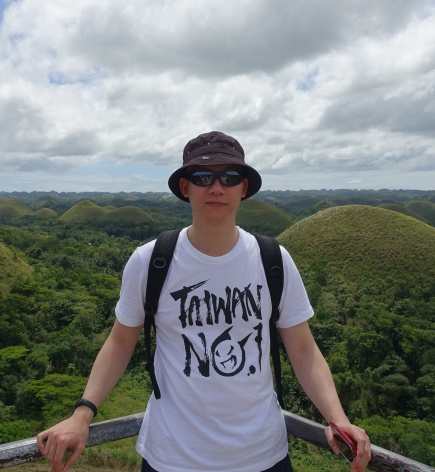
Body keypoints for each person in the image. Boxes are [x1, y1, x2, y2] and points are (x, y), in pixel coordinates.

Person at [37, 132, 371, 472]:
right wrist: (83, 413)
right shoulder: (150, 261)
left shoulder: (274, 260)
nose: (216, 188)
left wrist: (338, 418)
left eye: (229, 177)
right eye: (202, 177)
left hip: (263, 455)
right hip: (172, 458)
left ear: (243, 187)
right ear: (186, 188)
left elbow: (303, 350)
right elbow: (121, 342)